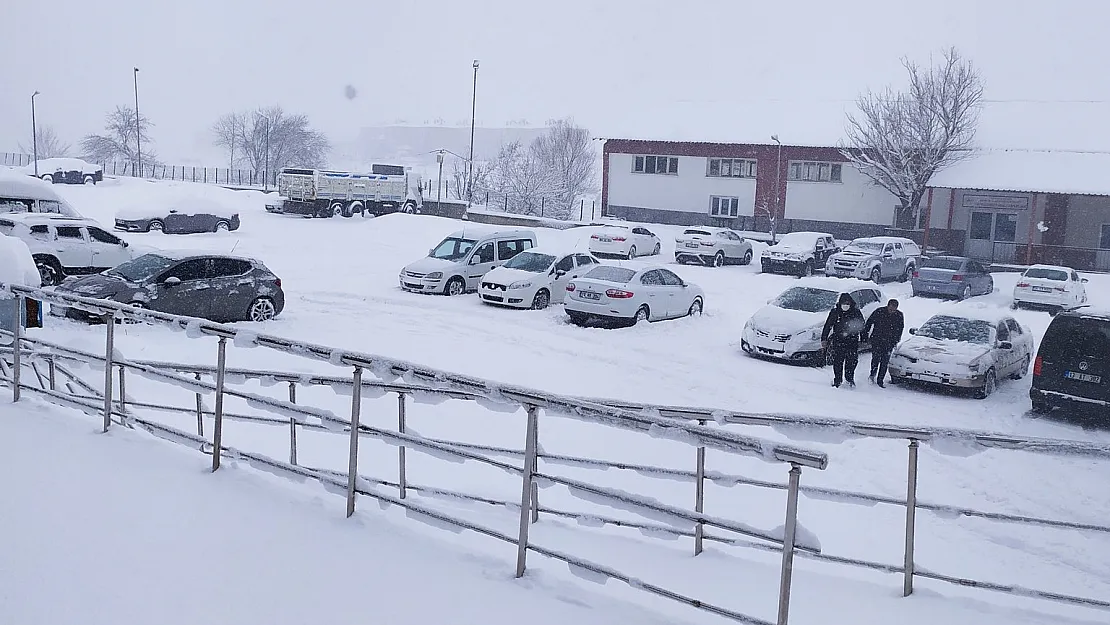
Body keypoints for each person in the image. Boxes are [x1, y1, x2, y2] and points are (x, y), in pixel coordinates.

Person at [821, 292, 865, 388]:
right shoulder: (835, 312)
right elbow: (828, 325)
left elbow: (862, 326)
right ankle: (837, 380)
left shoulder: (856, 312)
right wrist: (824, 338)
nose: (845, 305)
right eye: (844, 303)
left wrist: (863, 340)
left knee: (851, 362)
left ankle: (849, 379)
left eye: (847, 303)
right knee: (838, 361)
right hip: (838, 340)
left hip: (852, 341)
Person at [862, 298, 905, 388]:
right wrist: (865, 336)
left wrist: (896, 340)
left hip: (889, 342)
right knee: (875, 359)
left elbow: (900, 328)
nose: (892, 311)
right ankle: (872, 374)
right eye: (891, 309)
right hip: (877, 340)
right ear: (888, 306)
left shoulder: (899, 315)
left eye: (894, 309)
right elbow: (869, 323)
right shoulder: (879, 312)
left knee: (884, 362)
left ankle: (880, 380)